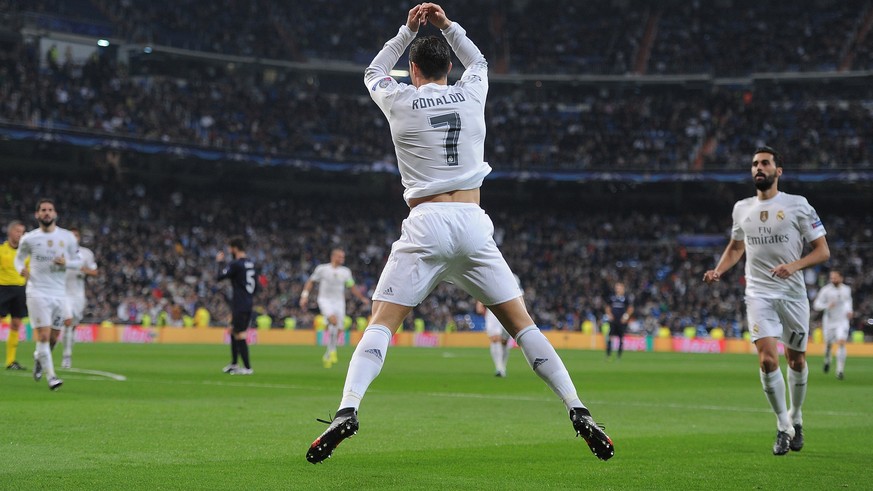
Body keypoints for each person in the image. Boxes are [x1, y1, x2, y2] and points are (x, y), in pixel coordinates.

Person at [306, 3, 613, 464]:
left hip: (426, 223)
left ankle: (347, 409)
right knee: (522, 325)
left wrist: (405, 31)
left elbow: (372, 69)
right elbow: (481, 62)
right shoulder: (471, 93)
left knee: (382, 324)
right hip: (472, 222)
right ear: (449, 66)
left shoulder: (400, 98)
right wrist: (448, 26)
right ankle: (578, 408)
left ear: (412, 70)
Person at [703, 146, 830, 456]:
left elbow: (822, 251)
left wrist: (794, 266)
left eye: (765, 163)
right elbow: (736, 247)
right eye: (755, 164)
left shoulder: (798, 205)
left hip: (792, 294)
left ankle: (796, 417)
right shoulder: (741, 208)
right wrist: (719, 270)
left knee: (796, 360)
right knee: (767, 359)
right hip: (758, 293)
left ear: (778, 171)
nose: (758, 168)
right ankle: (782, 425)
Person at [14, 199, 83, 390]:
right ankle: (52, 377)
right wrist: (21, 269)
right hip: (37, 292)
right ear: (37, 214)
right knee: (43, 336)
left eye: (50, 210)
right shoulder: (29, 238)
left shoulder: (67, 237)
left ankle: (39, 358)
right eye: (43, 210)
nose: (47, 213)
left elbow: (78, 261)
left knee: (53, 339)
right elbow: (18, 260)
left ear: (55, 214)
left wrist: (66, 263)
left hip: (59, 294)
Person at [300, 248, 370, 368]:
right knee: (333, 320)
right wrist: (304, 296)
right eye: (340, 256)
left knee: (338, 328)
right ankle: (332, 351)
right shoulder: (322, 269)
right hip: (325, 300)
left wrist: (362, 298)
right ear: (333, 257)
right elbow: (311, 281)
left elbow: (351, 286)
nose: (342, 259)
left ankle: (328, 353)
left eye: (343, 257)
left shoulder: (345, 271)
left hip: (339, 302)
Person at [216, 236, 257, 375]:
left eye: (230, 248)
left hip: (240, 303)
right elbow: (256, 285)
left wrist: (220, 263)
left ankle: (247, 368)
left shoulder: (236, 264)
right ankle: (234, 364)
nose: (229, 251)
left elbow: (220, 276)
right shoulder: (251, 263)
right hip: (247, 301)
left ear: (235, 248)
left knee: (240, 334)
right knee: (233, 331)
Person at [62, 226, 98, 369]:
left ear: (79, 238)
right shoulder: (60, 252)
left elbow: (95, 272)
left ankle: (69, 346)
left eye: (76, 235)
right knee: (68, 321)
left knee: (74, 324)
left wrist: (84, 269)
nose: (73, 238)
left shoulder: (86, 254)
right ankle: (67, 356)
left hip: (78, 294)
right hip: (63, 292)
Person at [812, 270, 852, 380]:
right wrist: (826, 306)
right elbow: (816, 305)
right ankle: (827, 360)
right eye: (832, 278)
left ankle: (839, 371)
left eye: (835, 277)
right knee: (829, 344)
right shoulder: (826, 290)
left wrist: (849, 310)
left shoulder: (846, 289)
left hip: (842, 321)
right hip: (829, 322)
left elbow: (848, 302)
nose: (833, 279)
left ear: (841, 278)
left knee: (841, 342)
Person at [1, 220, 28, 370]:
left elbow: (30, 272)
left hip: (20, 290)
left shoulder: (25, 253)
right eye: (18, 231)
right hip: (2, 288)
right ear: (10, 232)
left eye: (23, 232)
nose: (20, 235)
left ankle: (10, 361)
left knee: (16, 324)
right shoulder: (1, 250)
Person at [604, 282, 633, 360]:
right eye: (616, 287)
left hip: (621, 321)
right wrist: (609, 315)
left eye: (619, 287)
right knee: (610, 337)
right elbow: (607, 307)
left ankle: (619, 356)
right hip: (613, 321)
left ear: (623, 288)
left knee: (621, 338)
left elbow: (630, 309)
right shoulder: (612, 297)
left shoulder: (626, 298)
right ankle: (608, 355)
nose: (617, 289)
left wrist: (625, 317)